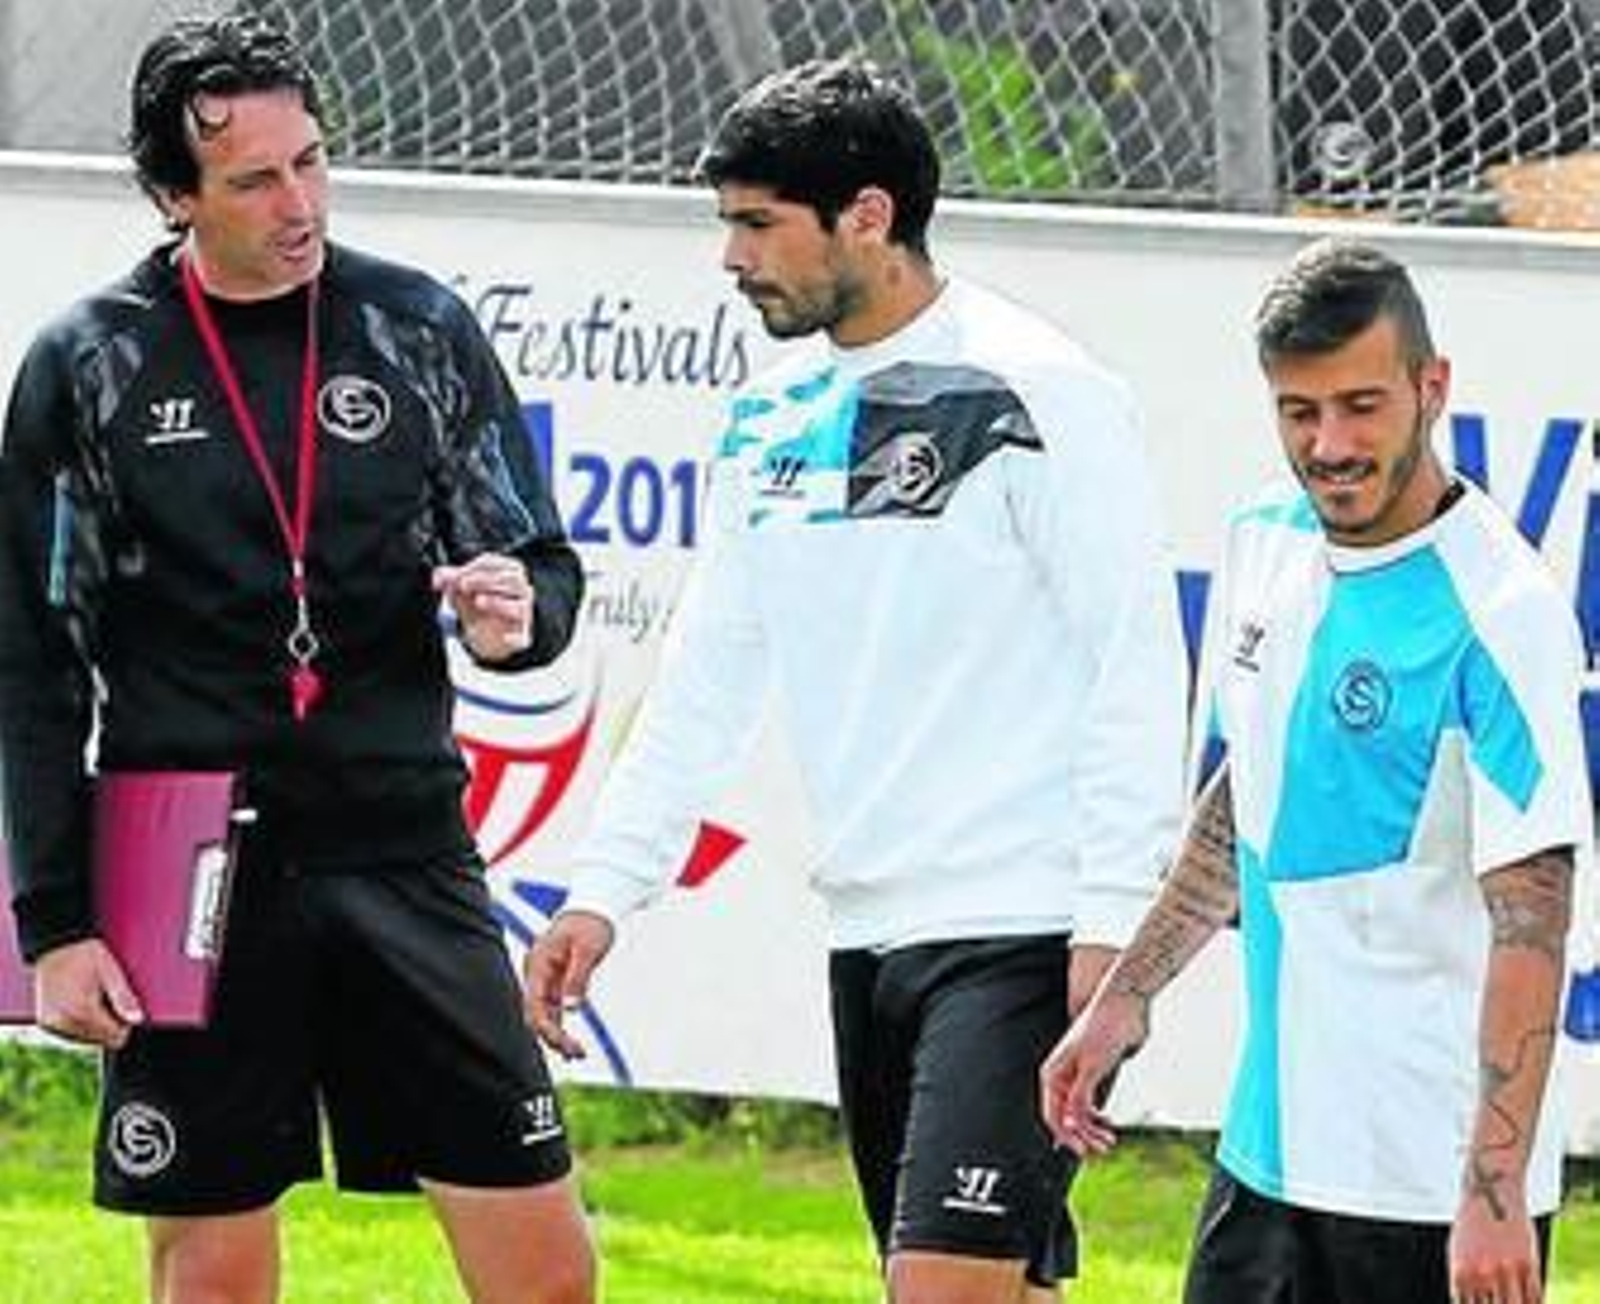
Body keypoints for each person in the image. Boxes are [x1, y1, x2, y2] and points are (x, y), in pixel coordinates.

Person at [526, 57, 1186, 1303]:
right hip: (867, 932)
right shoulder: (768, 414)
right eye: (727, 222)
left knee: (936, 1286)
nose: (730, 258)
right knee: (995, 1288)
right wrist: (602, 888)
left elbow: (1133, 659)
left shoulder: (1035, 387)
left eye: (757, 223)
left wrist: (1113, 926)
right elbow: (709, 671)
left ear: (868, 216)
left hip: (1020, 924)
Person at [0, 14, 595, 1303]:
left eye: (313, 163)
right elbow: (36, 663)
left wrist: (516, 612)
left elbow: (538, 564)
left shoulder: (415, 328)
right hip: (192, 855)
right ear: (174, 195)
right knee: (211, 1276)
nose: (300, 203)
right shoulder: (89, 363)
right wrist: (52, 924)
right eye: (256, 179)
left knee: (547, 1271)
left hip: (400, 839)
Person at [1039, 237, 1590, 1304]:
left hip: (1426, 1185)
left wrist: (1492, 1186)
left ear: (1432, 389)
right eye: (1299, 411)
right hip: (1268, 1155)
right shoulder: (1264, 537)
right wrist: (1125, 993)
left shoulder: (1501, 612)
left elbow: (1535, 920)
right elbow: (1252, 786)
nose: (1328, 443)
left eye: (1360, 405)